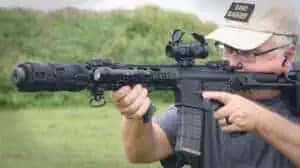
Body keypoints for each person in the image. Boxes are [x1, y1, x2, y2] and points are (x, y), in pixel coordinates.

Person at [112, 0, 300, 168]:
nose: (234, 62)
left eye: (248, 52)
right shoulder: (209, 97)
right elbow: (141, 153)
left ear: (287, 55)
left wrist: (260, 120)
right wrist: (134, 115)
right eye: (229, 49)